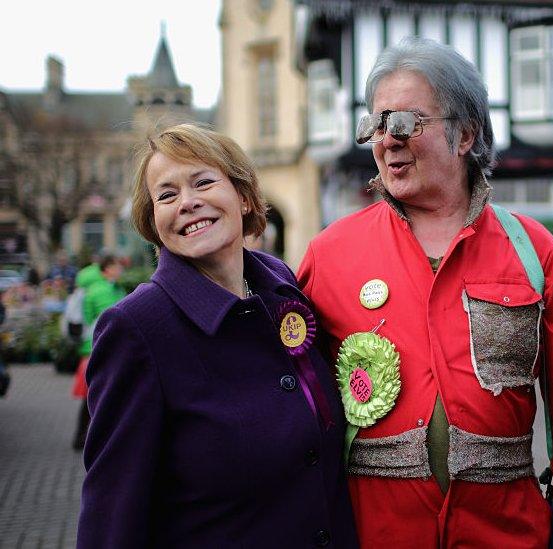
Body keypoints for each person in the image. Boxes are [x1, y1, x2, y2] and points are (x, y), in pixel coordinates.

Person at [298, 37, 553, 548]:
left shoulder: (535, 252)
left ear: (465, 134)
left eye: (405, 123)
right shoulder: (329, 254)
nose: (387, 141)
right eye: (377, 126)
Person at [78, 124, 357, 548]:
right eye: (167, 195)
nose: (188, 203)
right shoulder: (136, 328)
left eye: (204, 182)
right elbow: (111, 515)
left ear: (243, 197)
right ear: (154, 222)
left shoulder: (280, 286)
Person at [70, 254, 125, 450]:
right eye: (117, 266)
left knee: (93, 395)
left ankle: (83, 438)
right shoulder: (104, 290)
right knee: (96, 395)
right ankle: (89, 439)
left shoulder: (108, 288)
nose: (120, 270)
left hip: (93, 348)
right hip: (99, 348)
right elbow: (113, 321)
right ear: (107, 269)